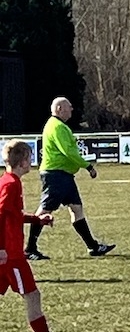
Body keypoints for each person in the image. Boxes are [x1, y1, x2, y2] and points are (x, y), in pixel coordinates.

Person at [1, 140, 77, 332]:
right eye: (30, 157)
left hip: (9, 253)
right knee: (32, 295)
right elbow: (0, 215)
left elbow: (13, 215)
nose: (32, 161)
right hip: (11, 256)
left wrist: (37, 219)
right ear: (23, 161)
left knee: (31, 295)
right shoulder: (11, 184)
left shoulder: (9, 181)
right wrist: (1, 248)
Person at [25, 97, 114, 260]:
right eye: (69, 107)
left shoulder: (58, 125)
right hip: (55, 174)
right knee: (45, 209)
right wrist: (87, 166)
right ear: (60, 109)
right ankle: (30, 248)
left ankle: (93, 247)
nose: (72, 109)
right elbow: (68, 151)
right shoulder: (57, 126)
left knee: (76, 208)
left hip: (64, 175)